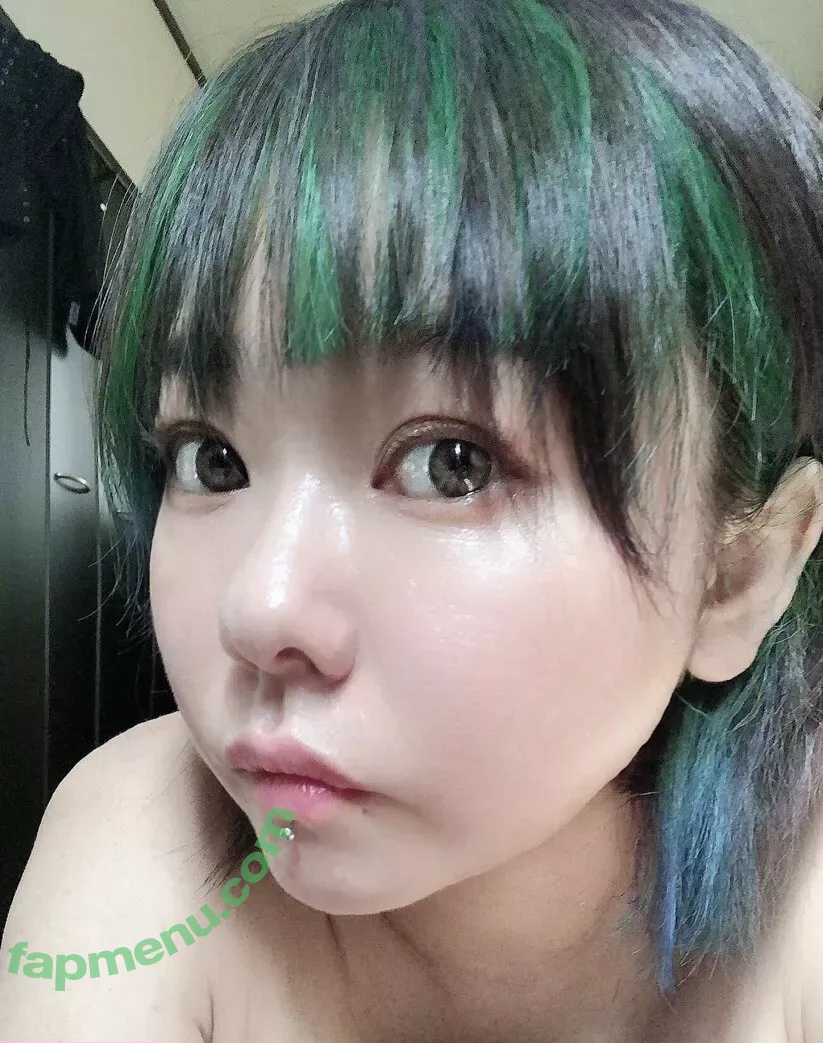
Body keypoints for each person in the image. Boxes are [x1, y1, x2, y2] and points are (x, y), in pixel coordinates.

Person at [3, 0, 823, 1038]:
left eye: (451, 463)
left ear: (736, 572)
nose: (257, 609)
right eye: (211, 460)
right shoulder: (148, 840)